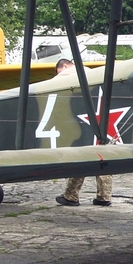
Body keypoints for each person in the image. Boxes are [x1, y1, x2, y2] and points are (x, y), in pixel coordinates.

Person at [54, 59, 113, 207]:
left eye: (60, 70)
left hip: (84, 119)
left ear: (65, 66)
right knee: (102, 156)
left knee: (80, 155)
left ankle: (71, 195)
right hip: (103, 118)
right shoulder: (91, 72)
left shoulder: (68, 73)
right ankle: (104, 197)